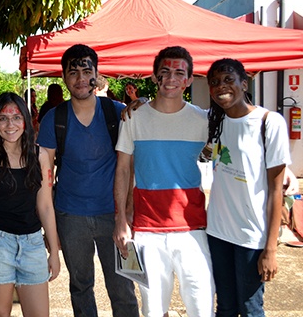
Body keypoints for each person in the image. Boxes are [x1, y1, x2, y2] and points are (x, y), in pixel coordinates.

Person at [37, 44, 139, 317]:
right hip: (70, 216)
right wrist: (51, 230)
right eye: (73, 72)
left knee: (123, 289)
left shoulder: (119, 113)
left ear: (97, 73)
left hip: (113, 217)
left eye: (86, 70)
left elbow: (134, 163)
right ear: (63, 77)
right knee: (81, 288)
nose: (81, 78)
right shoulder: (53, 119)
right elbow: (44, 179)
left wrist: (128, 214)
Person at [113, 46, 215, 317]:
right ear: (155, 77)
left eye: (179, 72)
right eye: (165, 72)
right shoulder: (134, 117)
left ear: (189, 80)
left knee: (202, 307)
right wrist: (120, 220)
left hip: (192, 228)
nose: (171, 78)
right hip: (147, 230)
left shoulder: (203, 121)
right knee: (153, 310)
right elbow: (122, 170)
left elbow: (227, 157)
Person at [205, 58, 290, 316]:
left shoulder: (269, 122)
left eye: (228, 79)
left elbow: (276, 190)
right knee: (226, 307)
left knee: (250, 308)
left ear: (244, 83)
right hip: (218, 233)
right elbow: (175, 110)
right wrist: (138, 101)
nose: (221, 87)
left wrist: (271, 248)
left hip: (251, 237)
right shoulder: (213, 120)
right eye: (215, 82)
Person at [0, 92, 61, 317]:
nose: (11, 124)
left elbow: (46, 206)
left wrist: (54, 252)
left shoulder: (41, 156)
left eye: (17, 117)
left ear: (26, 121)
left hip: (32, 244)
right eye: (3, 118)